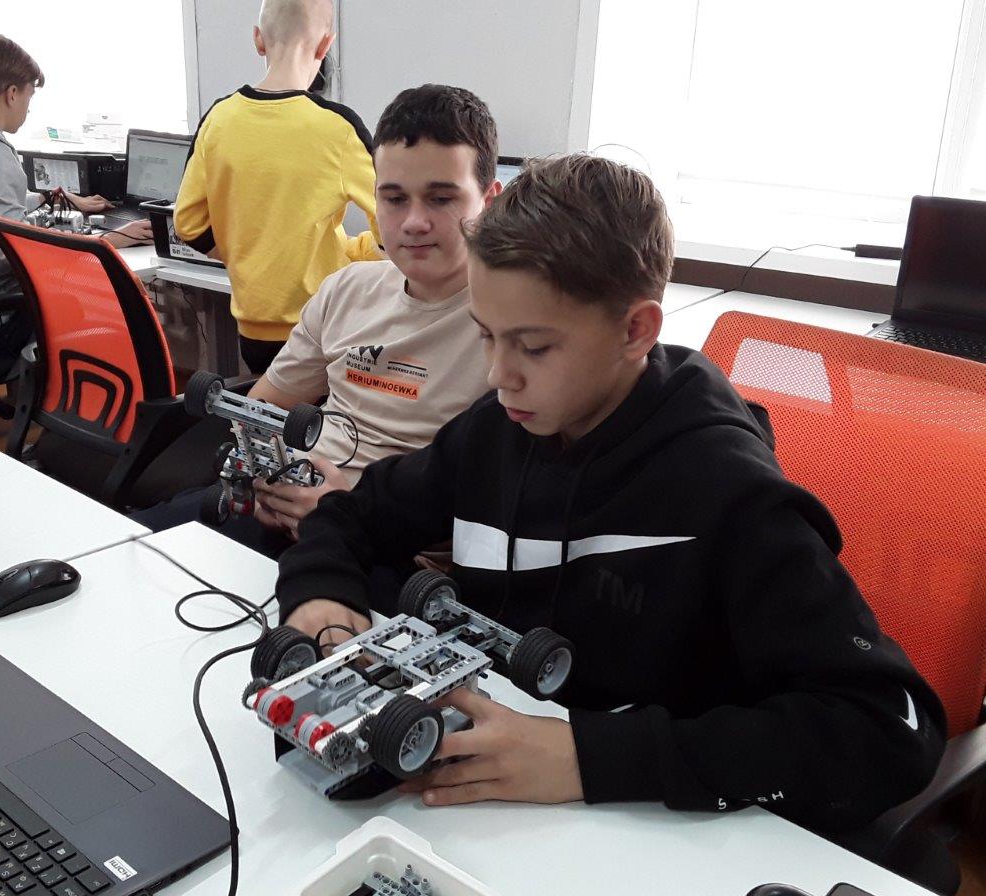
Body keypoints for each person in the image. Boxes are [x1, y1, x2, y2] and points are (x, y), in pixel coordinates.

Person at [274, 154, 945, 832]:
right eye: (487, 336)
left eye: (534, 347)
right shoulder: (497, 431)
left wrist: (588, 758)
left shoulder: (730, 494)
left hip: (646, 824)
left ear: (635, 330)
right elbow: (350, 516)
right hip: (487, 799)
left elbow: (890, 730)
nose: (499, 374)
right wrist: (320, 596)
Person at [137, 84, 501, 577]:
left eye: (441, 198)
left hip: (388, 550)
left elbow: (500, 502)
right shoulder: (347, 289)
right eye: (394, 198)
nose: (414, 222)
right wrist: (265, 480)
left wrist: (350, 511)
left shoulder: (511, 326)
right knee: (127, 551)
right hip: (279, 511)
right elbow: (262, 409)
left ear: (489, 201)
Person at [173, 0, 381, 374]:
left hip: (252, 332)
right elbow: (393, 221)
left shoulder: (218, 118)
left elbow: (187, 223)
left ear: (259, 39)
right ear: (326, 44)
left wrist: (243, 254)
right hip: (322, 328)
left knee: (264, 410)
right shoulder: (338, 127)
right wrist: (361, 251)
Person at [0, 33, 143, 358]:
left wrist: (52, 200)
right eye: (28, 96)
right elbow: (14, 250)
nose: (28, 108)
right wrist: (107, 240)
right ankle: (42, 392)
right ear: (12, 94)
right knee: (81, 309)